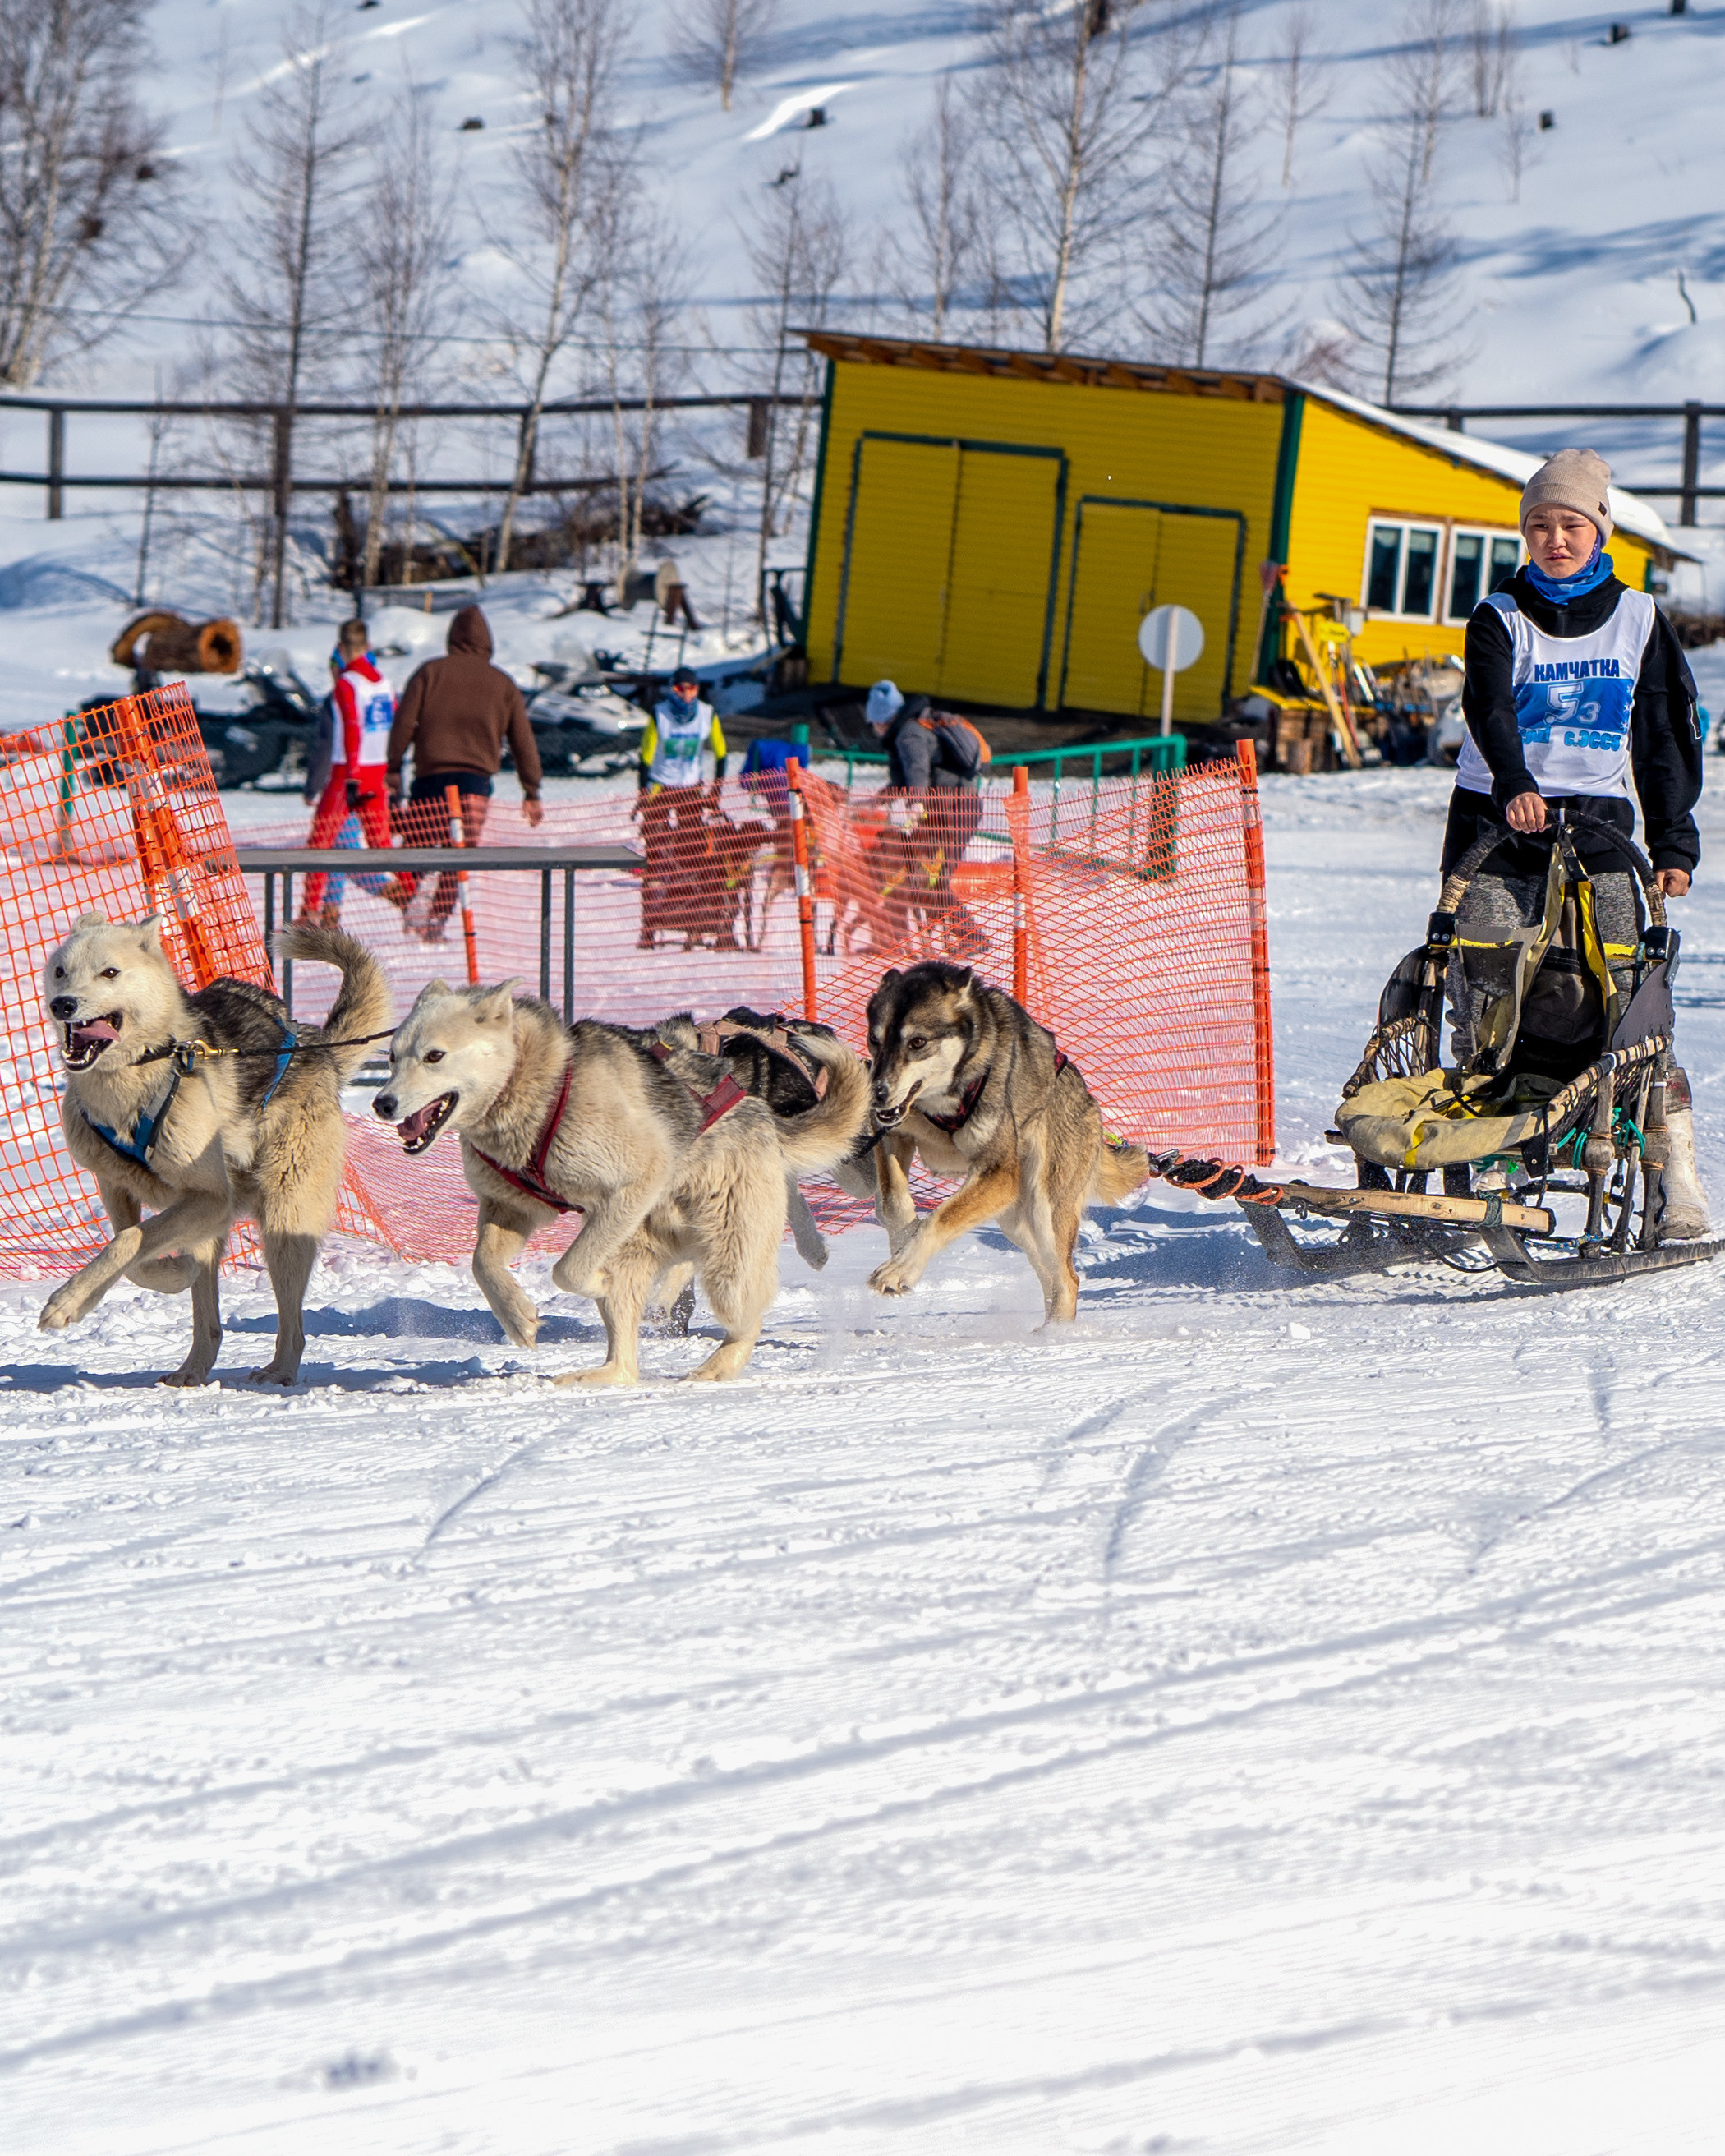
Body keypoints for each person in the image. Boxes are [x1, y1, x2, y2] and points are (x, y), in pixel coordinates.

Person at [1448, 445, 1709, 1232]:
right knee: (1488, 981)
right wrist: (1515, 784)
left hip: (1599, 826)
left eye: (1570, 525)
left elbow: (1663, 733)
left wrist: (1673, 842)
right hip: (1498, 819)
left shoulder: (1639, 618)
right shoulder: (1499, 615)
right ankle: (1488, 1141)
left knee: (1627, 991)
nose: (1554, 540)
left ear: (1599, 531)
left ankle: (1675, 1173)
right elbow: (1490, 711)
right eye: (1539, 526)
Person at [386, 604, 544, 937]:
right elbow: (523, 740)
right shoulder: (503, 684)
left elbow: (403, 722)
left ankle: (412, 901)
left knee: (418, 844)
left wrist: (393, 766)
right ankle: (437, 918)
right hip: (475, 784)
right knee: (458, 852)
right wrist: (531, 790)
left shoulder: (430, 672)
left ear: (452, 638)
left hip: (430, 778)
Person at [866, 678, 988, 959]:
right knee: (927, 881)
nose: (874, 729)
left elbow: (918, 771)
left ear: (883, 718)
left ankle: (972, 937)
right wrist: (879, 799)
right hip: (949, 810)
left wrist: (917, 803)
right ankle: (956, 937)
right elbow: (907, 778)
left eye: (874, 721)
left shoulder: (909, 733)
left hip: (953, 810)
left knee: (936, 880)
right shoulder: (914, 727)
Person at [301, 620, 407, 927]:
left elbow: (336, 739)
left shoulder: (345, 690)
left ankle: (321, 911)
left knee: (332, 847)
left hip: (347, 778)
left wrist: (314, 786)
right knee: (369, 845)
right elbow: (390, 733)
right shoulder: (384, 686)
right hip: (378, 774)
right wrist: (394, 777)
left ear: (340, 653)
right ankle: (398, 891)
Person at [635, 666, 728, 950]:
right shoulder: (659, 713)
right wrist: (643, 793)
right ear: (671, 689)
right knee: (655, 858)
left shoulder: (706, 714)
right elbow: (646, 756)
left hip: (691, 789)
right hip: (661, 789)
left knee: (693, 855)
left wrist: (715, 791)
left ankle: (692, 922)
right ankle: (649, 927)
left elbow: (721, 752)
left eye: (691, 688)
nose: (686, 694)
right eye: (679, 689)